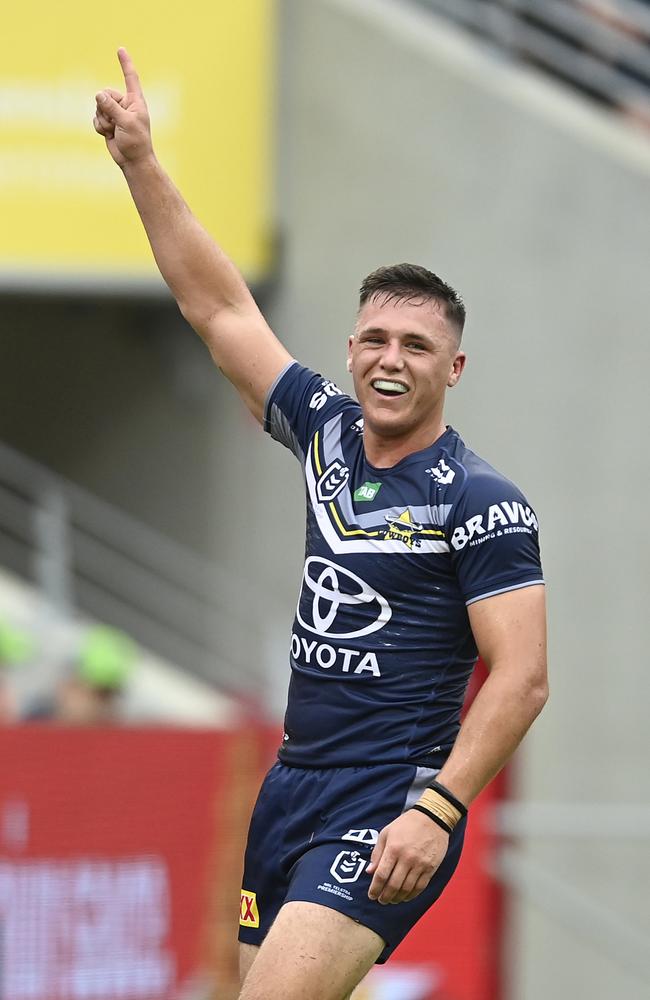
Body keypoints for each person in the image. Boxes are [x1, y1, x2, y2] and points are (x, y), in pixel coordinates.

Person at [94, 49, 548, 1000]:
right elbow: (216, 306)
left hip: (389, 800)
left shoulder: (481, 501)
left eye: (418, 346)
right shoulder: (327, 432)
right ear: (350, 350)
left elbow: (524, 678)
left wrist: (438, 807)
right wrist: (140, 158)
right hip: (292, 785)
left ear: (452, 371)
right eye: (375, 339)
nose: (392, 360)